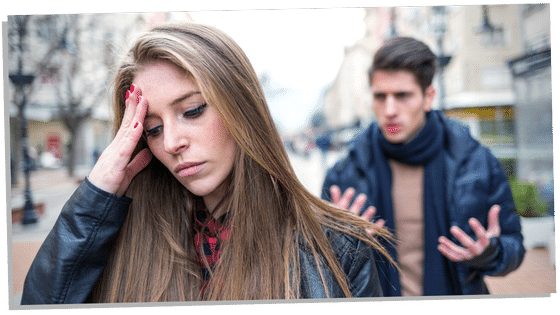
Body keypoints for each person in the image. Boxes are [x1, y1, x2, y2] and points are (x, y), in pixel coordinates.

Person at [21, 22, 393, 304]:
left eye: (192, 110)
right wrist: (96, 193)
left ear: (241, 110)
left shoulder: (337, 249)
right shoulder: (119, 242)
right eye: (151, 129)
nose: (171, 142)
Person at [321, 37, 525, 297]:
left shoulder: (476, 162)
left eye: (402, 95)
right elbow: (319, 265)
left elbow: (514, 246)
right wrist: (337, 241)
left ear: (428, 97)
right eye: (380, 97)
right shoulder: (345, 174)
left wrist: (489, 252)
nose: (390, 110)